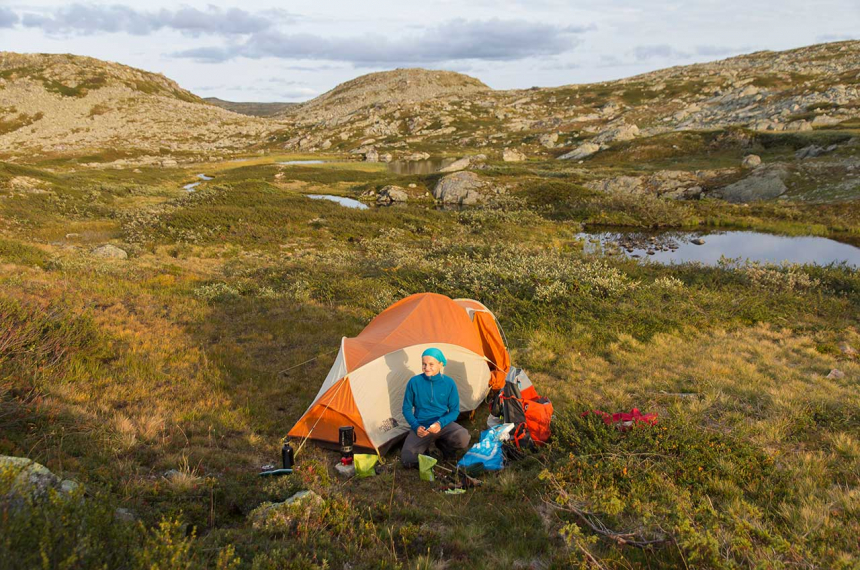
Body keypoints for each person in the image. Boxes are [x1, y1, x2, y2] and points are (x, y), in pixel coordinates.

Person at [400, 348, 471, 467]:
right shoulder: (414, 382)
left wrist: (440, 423)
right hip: (422, 426)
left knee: (463, 438)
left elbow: (454, 411)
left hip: (442, 424)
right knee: (407, 459)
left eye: (431, 364)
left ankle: (444, 446)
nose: (426, 367)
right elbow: (406, 409)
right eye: (424, 364)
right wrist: (416, 426)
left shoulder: (449, 383)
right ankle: (424, 448)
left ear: (440, 364)